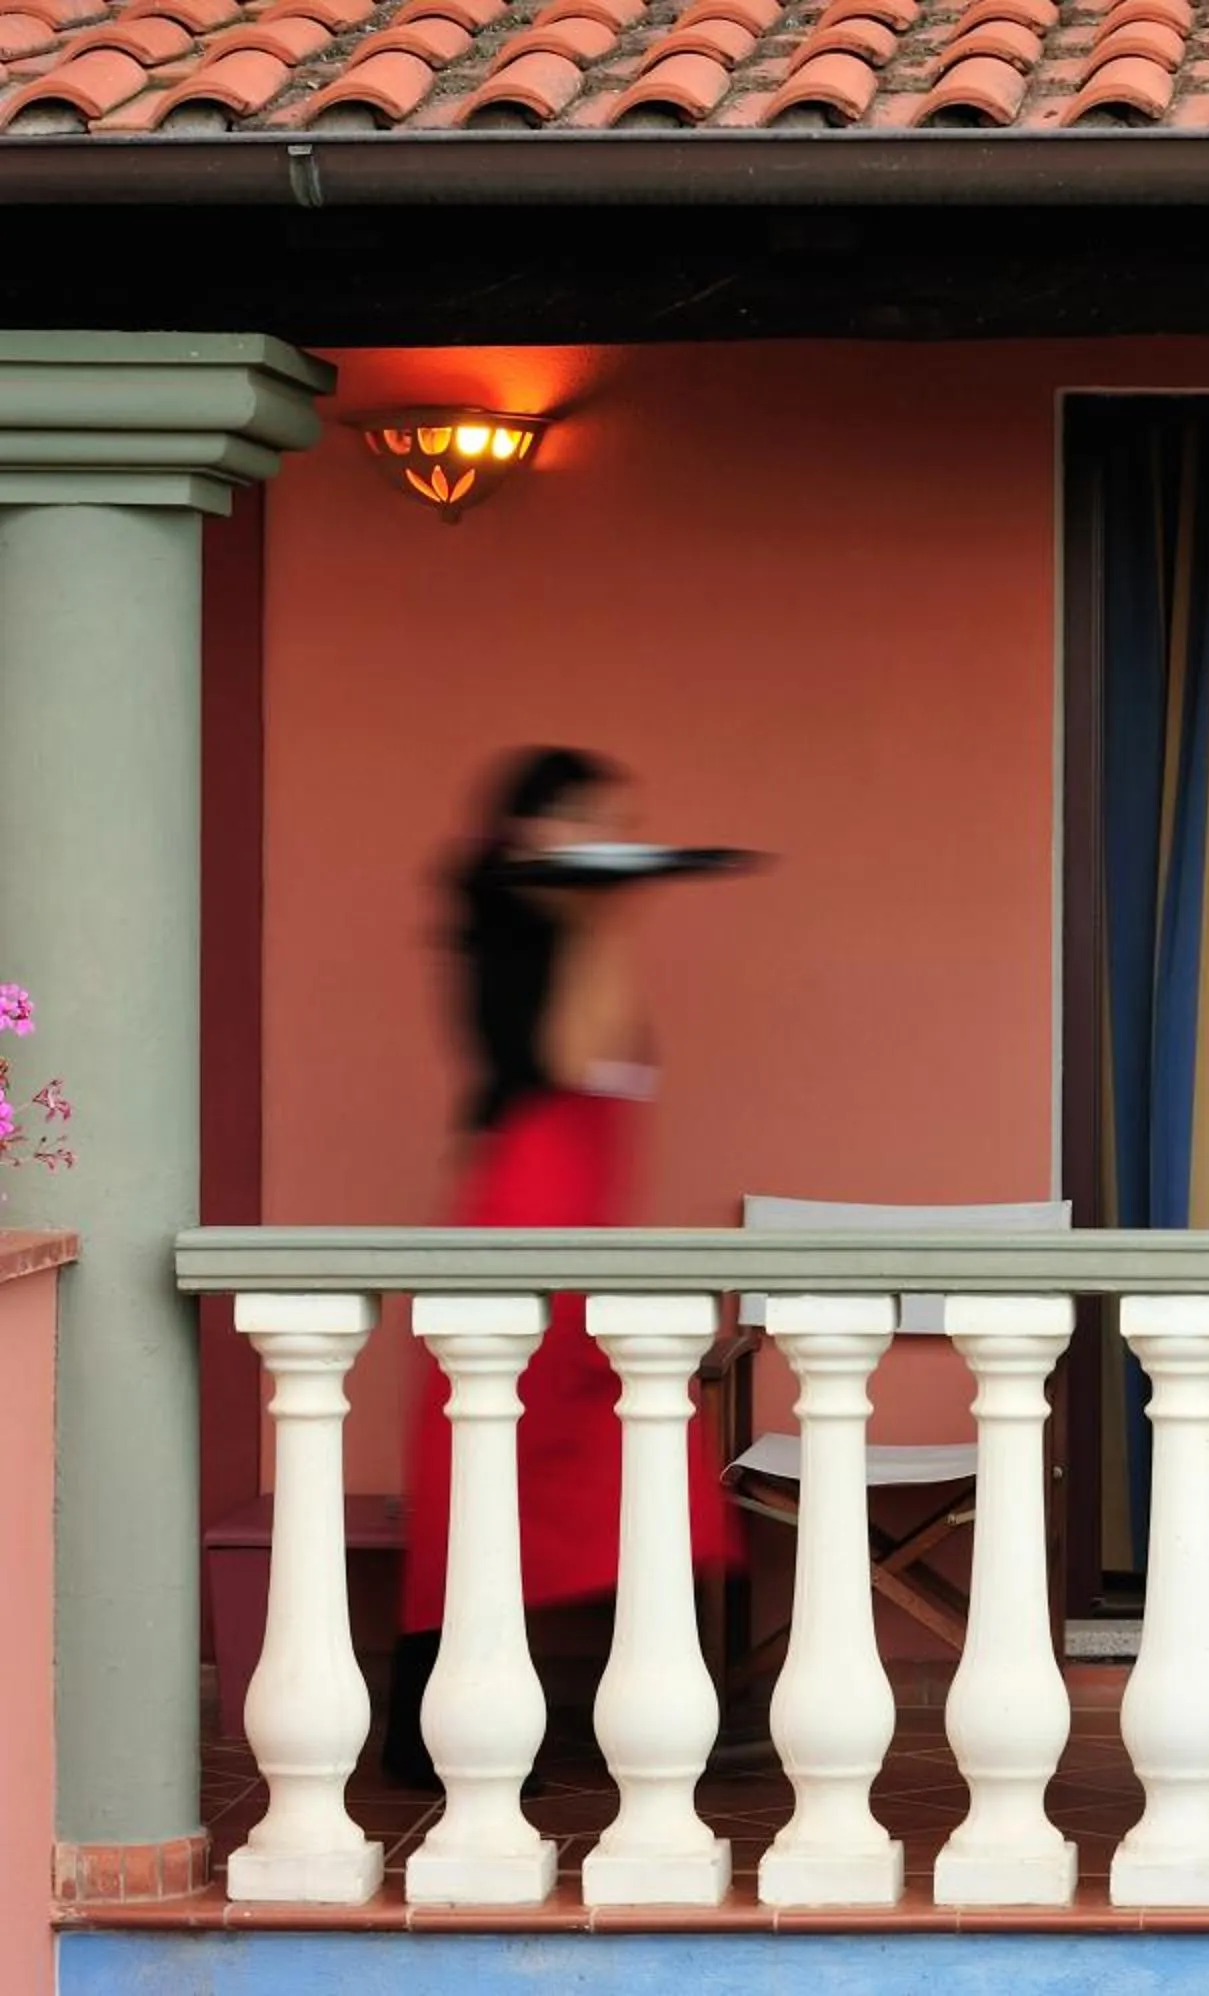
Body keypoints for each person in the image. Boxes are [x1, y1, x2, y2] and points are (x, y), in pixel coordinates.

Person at [385, 747, 751, 1789]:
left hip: (575, 1225)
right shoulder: (537, 944)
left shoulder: (570, 935)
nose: (612, 839)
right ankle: (450, 1724)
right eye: (591, 821)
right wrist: (601, 917)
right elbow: (576, 1059)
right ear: (538, 833)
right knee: (506, 1467)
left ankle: (643, 1706)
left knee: (618, 1466)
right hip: (529, 1230)